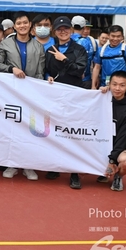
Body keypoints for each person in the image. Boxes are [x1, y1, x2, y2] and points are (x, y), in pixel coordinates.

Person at [0, 11, 44, 181]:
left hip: (31, 94)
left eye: (25, 22)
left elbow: (40, 72)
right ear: (14, 26)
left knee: (30, 130)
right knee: (13, 129)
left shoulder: (38, 46)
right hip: (11, 93)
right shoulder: (5, 44)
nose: (22, 26)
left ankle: (28, 165)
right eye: (19, 23)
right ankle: (12, 164)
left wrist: (37, 91)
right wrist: (11, 69)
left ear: (30, 25)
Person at [44, 16, 87, 189]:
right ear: (54, 32)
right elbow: (46, 70)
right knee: (54, 131)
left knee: (72, 134)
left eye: (66, 28)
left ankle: (74, 173)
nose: (63, 31)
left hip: (74, 97)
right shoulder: (50, 50)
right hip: (54, 97)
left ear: (71, 30)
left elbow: (80, 70)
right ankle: (55, 166)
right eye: (59, 29)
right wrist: (48, 77)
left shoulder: (79, 50)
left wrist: (65, 60)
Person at [99, 70, 126, 191]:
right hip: (99, 144)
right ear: (109, 84)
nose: (117, 88)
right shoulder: (102, 99)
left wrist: (112, 160)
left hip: (120, 146)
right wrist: (98, 93)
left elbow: (123, 138)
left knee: (125, 161)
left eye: (122, 85)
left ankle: (118, 176)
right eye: (114, 84)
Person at [91, 25, 126, 90]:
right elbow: (97, 67)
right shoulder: (101, 50)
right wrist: (93, 86)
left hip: (121, 87)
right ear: (108, 36)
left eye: (118, 36)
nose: (115, 39)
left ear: (122, 37)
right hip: (104, 86)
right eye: (113, 36)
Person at [71, 16, 97, 89]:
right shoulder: (86, 42)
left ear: (72, 27)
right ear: (83, 27)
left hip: (70, 79)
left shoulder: (66, 40)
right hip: (85, 79)